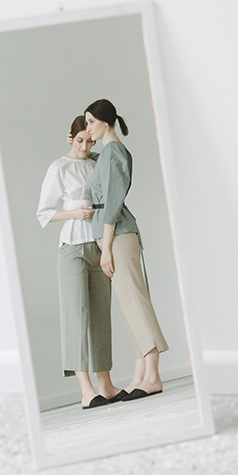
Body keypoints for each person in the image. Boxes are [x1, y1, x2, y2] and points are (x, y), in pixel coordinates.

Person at [36, 116, 123, 409]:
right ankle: (86, 391)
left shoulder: (95, 162)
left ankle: (106, 385)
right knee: (76, 318)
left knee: (101, 316)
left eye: (90, 141)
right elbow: (44, 213)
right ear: (70, 137)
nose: (85, 146)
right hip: (72, 248)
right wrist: (74, 213)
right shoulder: (58, 168)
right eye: (80, 140)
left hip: (98, 245)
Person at [85, 98, 168, 400]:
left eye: (91, 122)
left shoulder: (115, 153)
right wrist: (81, 146)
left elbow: (112, 202)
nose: (87, 128)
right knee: (129, 305)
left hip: (117, 235)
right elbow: (99, 167)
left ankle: (153, 375)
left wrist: (106, 247)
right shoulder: (107, 154)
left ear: (106, 122)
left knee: (135, 302)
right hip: (112, 235)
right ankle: (142, 375)